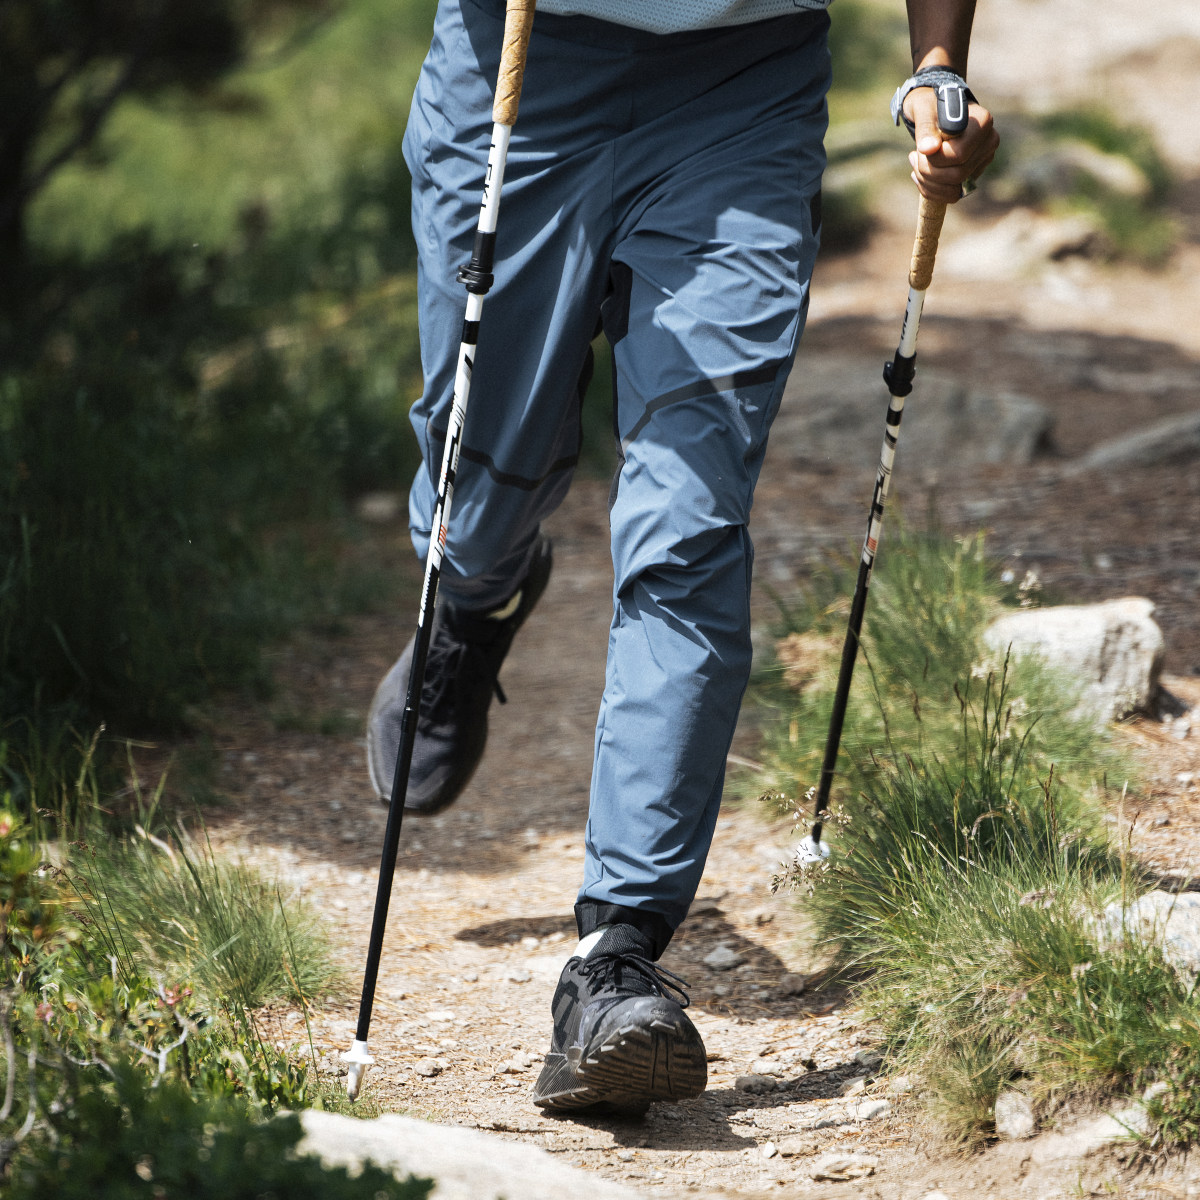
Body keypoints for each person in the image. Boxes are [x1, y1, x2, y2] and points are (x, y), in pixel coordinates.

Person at [367, 0, 998, 1114]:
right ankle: (474, 598)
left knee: (693, 521)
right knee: (480, 477)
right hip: (522, 57)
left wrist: (936, 67)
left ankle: (616, 958)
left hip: (741, 92)